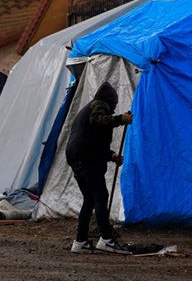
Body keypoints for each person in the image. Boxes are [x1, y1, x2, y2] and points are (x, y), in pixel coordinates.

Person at [66, 81, 133, 254]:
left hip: (78, 156)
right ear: (110, 100)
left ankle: (80, 242)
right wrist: (120, 119)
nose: (114, 107)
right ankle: (106, 239)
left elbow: (91, 140)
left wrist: (111, 156)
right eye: (115, 104)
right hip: (85, 158)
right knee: (100, 196)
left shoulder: (90, 109)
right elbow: (98, 122)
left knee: (89, 198)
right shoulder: (99, 105)